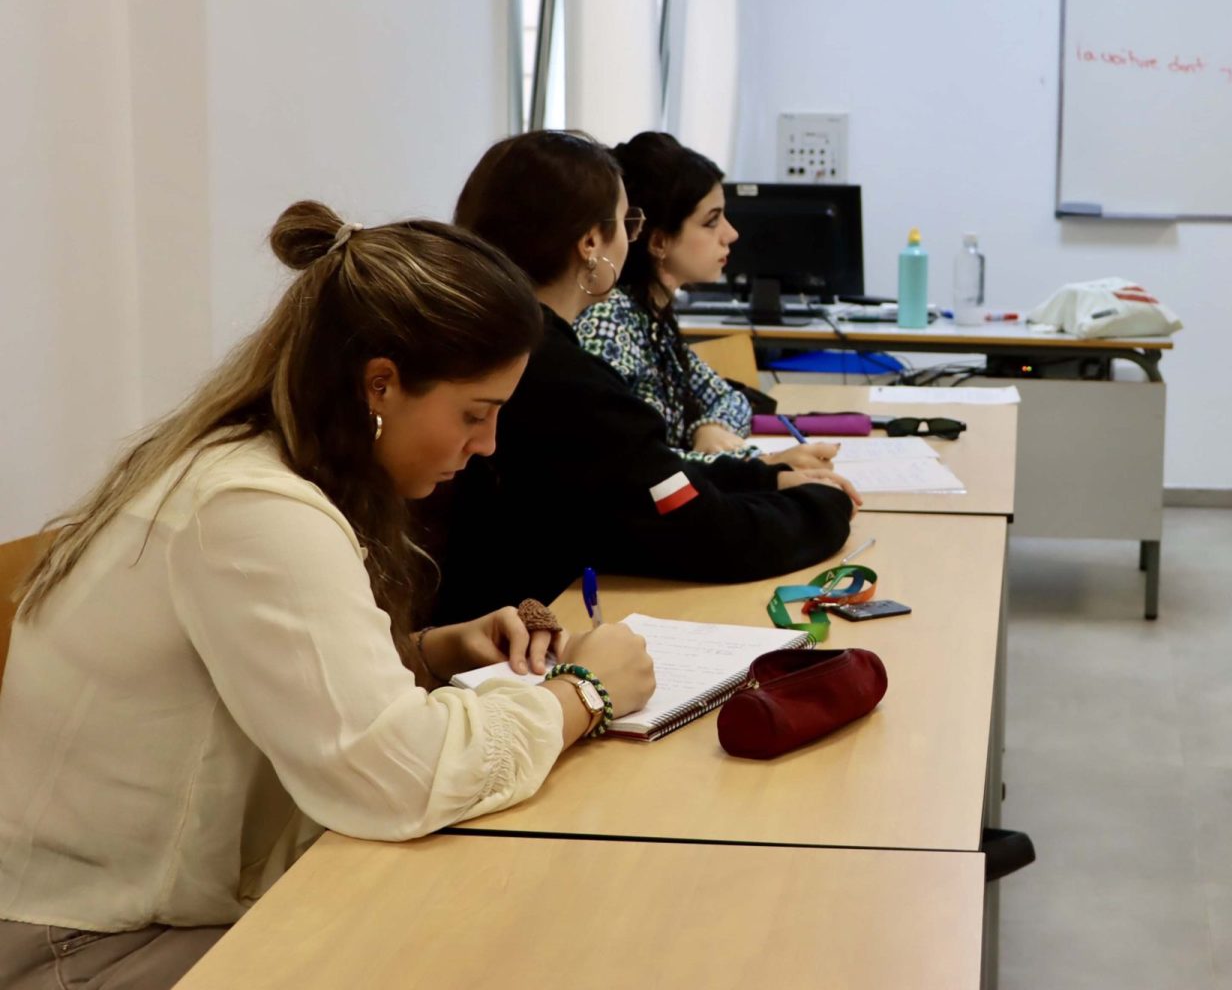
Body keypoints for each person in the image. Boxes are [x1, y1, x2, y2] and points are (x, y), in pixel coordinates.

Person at [0, 203, 656, 990]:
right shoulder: (247, 506)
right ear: (381, 384)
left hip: (153, 910)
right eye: (475, 414)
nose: (486, 446)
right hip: (91, 945)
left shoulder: (255, 468)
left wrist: (432, 652)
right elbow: (397, 778)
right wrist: (582, 694)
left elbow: (281, 689)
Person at [435, 130, 858, 624]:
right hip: (525, 634)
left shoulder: (487, 345)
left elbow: (644, 472)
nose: (630, 238)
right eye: (625, 221)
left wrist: (764, 477)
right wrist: (824, 504)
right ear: (591, 242)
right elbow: (710, 534)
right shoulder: (562, 379)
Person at [574, 131, 838, 472]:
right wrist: (765, 464)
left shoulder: (652, 318)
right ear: (659, 242)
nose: (731, 234)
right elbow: (630, 464)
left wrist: (711, 427)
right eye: (711, 221)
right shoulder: (609, 323)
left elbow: (731, 399)